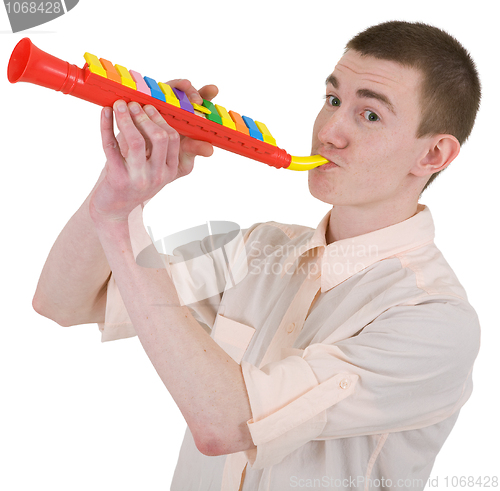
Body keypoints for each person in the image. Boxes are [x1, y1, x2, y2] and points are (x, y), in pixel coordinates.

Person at [32, 21, 481, 491]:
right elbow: (64, 302)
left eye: (369, 115)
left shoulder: (435, 321)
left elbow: (227, 425)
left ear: (432, 155)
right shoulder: (259, 249)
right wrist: (120, 186)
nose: (329, 132)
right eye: (332, 100)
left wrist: (118, 223)